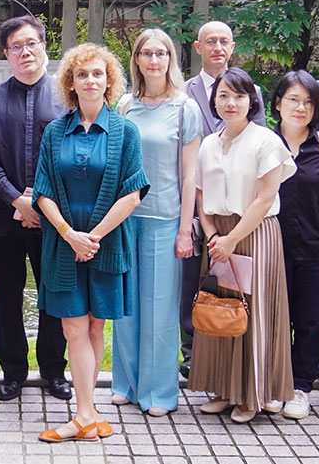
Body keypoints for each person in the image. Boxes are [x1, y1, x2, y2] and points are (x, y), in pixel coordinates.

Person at [34, 43, 149, 443]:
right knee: (72, 327)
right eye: (82, 74)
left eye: (98, 73)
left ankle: (87, 412)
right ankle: (86, 415)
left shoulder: (125, 132)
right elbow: (42, 191)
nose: (90, 80)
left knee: (96, 325)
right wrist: (70, 235)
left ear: (108, 80)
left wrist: (93, 238)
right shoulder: (54, 132)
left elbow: (133, 192)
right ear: (70, 82)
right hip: (63, 244)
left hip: (106, 243)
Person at [190, 67, 296, 423]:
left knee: (253, 312)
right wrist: (212, 236)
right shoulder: (208, 143)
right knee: (221, 308)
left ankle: (253, 395)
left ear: (252, 101)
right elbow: (201, 197)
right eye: (223, 95)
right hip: (217, 235)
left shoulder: (266, 141)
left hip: (254, 233)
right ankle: (224, 389)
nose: (230, 103)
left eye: (238, 96)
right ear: (214, 101)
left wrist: (232, 239)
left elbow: (265, 198)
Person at [112, 29, 201, 416]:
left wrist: (185, 230)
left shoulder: (185, 108)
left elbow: (190, 176)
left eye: (161, 53)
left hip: (165, 219)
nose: (153, 60)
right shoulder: (124, 105)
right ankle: (126, 383)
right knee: (126, 306)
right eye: (146, 53)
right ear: (136, 59)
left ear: (170, 59)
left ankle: (159, 392)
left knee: (160, 310)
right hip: (125, 218)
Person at [0, 15, 70, 403]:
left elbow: (71, 155)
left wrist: (42, 202)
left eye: (31, 43)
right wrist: (17, 199)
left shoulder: (65, 97)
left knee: (53, 294)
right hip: (6, 214)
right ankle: (13, 372)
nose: (25, 52)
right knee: (8, 294)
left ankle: (54, 370)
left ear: (44, 46)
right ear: (6, 54)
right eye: (16, 46)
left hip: (54, 218)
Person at [180, 20, 264, 371]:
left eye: (224, 41)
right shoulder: (183, 91)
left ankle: (234, 356)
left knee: (235, 283)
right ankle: (192, 352)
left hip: (239, 211)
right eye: (210, 41)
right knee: (192, 281)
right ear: (198, 48)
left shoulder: (250, 89)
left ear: (232, 46)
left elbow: (258, 144)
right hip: (195, 201)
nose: (217, 47)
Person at [270, 70, 319, 420]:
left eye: (308, 102)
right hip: (272, 247)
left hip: (317, 248)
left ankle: (300, 388)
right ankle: (274, 384)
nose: (300, 108)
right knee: (274, 320)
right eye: (293, 100)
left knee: (311, 322)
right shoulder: (263, 143)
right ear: (278, 104)